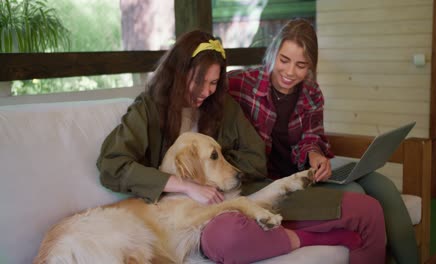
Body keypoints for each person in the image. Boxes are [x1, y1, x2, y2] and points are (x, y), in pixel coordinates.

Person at [97, 29, 385, 264]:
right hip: (189, 218)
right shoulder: (148, 110)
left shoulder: (220, 106)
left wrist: (217, 173)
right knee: (227, 236)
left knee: (367, 210)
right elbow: (112, 165)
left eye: (213, 82)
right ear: (177, 71)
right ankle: (308, 237)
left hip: (240, 196)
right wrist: (185, 184)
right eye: (199, 81)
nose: (207, 91)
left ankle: (301, 228)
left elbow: (255, 158)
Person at [227, 18, 418, 264]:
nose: (290, 72)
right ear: (273, 53)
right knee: (357, 193)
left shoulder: (311, 91)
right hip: (274, 182)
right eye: (284, 60)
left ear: (311, 66)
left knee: (384, 186)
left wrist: (316, 155)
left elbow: (311, 136)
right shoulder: (239, 84)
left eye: (301, 65)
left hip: (308, 171)